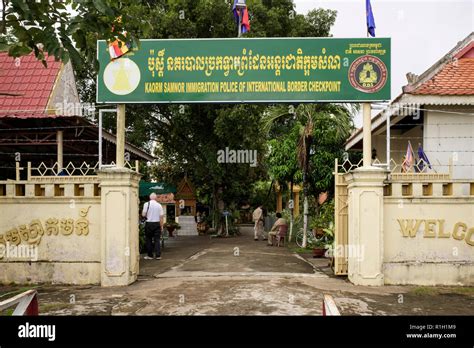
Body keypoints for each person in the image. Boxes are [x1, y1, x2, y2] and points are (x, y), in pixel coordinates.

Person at [142, 192, 164, 260]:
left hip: (149, 224)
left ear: (149, 197)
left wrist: (147, 215)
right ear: (156, 198)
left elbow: (143, 215)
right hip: (157, 224)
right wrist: (161, 226)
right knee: (157, 240)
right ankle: (158, 256)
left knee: (148, 240)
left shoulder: (146, 204)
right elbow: (161, 217)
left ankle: (150, 255)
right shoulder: (159, 205)